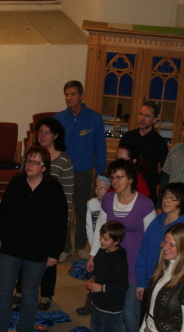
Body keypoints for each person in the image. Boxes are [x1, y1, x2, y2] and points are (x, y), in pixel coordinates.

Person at [0, 145, 68, 332]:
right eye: (28, 160)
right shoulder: (16, 182)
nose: (30, 165)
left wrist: (54, 252)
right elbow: (3, 212)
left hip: (37, 251)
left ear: (44, 167)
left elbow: (60, 222)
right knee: (3, 291)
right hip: (11, 247)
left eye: (36, 162)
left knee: (29, 294)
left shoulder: (53, 187)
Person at [88, 158, 155, 332]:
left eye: (119, 177)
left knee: (129, 311)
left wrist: (145, 277)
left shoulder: (145, 204)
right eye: (112, 177)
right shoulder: (108, 199)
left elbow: (151, 241)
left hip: (135, 266)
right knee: (111, 306)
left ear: (131, 179)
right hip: (109, 265)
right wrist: (93, 256)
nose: (114, 181)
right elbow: (100, 229)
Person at [126, 182, 184, 332]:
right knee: (146, 324)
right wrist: (142, 281)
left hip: (170, 288)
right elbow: (144, 250)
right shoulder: (158, 220)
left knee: (163, 331)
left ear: (181, 202)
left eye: (171, 197)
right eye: (164, 196)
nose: (165, 200)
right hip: (151, 283)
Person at [14, 117, 74, 310]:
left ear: (55, 135)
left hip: (50, 221)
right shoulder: (31, 155)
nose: (42, 135)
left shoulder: (64, 160)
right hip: (28, 219)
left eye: (47, 132)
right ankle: (20, 289)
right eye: (40, 131)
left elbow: (68, 196)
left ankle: (46, 294)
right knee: (24, 255)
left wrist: (63, 226)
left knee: (49, 260)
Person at [55, 80, 106, 260]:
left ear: (81, 96)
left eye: (73, 94)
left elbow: (100, 148)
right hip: (63, 172)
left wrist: (100, 174)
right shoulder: (59, 119)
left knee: (84, 211)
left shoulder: (94, 118)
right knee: (63, 211)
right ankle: (65, 248)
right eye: (67, 94)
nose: (69, 97)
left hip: (84, 172)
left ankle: (80, 246)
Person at [85, 221, 129, 332]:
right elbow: (96, 269)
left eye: (105, 239)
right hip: (98, 302)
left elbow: (122, 286)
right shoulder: (102, 251)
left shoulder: (118, 258)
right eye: (101, 237)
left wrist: (101, 287)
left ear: (116, 241)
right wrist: (93, 278)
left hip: (110, 307)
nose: (101, 241)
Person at [119, 101, 168, 204]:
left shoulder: (159, 142)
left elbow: (166, 170)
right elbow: (118, 163)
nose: (142, 118)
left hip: (148, 190)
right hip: (125, 187)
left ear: (155, 120)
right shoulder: (127, 137)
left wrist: (152, 181)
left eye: (147, 116)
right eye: (141, 114)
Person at [76, 175, 111, 316]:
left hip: (109, 245)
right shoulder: (91, 204)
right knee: (94, 274)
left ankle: (104, 302)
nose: (99, 190)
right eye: (97, 187)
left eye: (103, 188)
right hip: (96, 245)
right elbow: (89, 227)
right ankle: (89, 302)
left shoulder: (112, 203)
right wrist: (93, 247)